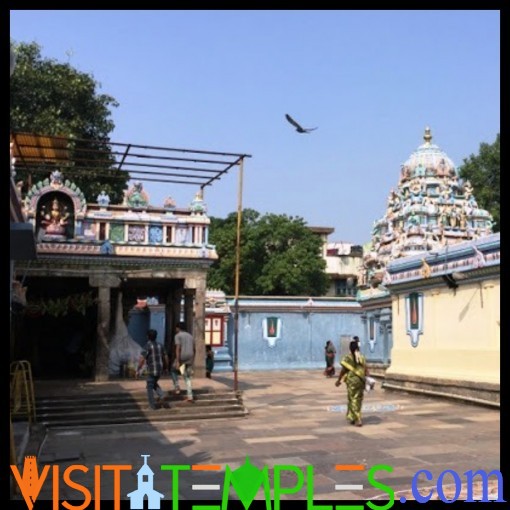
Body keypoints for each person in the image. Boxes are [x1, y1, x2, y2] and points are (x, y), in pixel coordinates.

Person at [335, 339, 369, 427]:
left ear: (350, 348)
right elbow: (366, 369)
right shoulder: (361, 357)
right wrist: (367, 378)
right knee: (358, 399)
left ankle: (358, 419)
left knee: (352, 399)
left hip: (352, 381)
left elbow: (343, 370)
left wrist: (339, 380)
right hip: (361, 380)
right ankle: (352, 416)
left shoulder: (348, 358)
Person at [136, 329, 169, 410]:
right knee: (153, 383)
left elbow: (142, 359)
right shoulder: (160, 345)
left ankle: (152, 405)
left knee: (149, 387)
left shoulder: (147, 346)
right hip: (159, 368)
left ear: (148, 337)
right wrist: (166, 367)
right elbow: (166, 357)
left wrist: (138, 369)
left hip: (152, 369)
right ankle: (161, 395)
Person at [174, 322, 196, 402]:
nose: (176, 330)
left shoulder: (178, 336)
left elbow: (178, 349)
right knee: (188, 377)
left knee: (173, 370)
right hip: (190, 357)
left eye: (176, 328)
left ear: (178, 328)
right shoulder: (191, 336)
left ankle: (177, 386)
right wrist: (193, 360)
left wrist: (177, 361)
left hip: (182, 357)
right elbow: (194, 349)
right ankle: (190, 395)